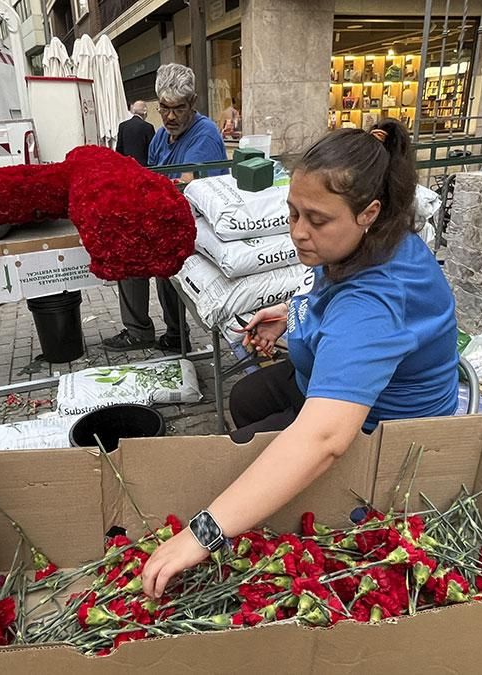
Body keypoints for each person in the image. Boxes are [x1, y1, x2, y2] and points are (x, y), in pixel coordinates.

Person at [139, 120, 460, 598]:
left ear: (368, 213)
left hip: (380, 429)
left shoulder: (375, 304)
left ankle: (289, 520)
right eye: (292, 214)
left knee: (241, 460)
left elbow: (324, 437)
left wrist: (203, 532)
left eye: (316, 219)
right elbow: (330, 296)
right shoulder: (368, 242)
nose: (298, 233)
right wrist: (292, 314)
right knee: (248, 396)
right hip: (331, 382)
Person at [102, 63, 228, 354]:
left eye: (178, 109)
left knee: (154, 260)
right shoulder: (161, 135)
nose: (170, 117)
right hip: (166, 219)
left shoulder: (204, 134)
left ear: (193, 103)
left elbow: (186, 184)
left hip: (197, 225)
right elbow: (150, 176)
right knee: (126, 250)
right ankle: (154, 332)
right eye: (164, 108)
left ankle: (169, 333)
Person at [116, 100, 155, 167]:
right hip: (144, 167)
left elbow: (119, 149)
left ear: (133, 112)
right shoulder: (148, 127)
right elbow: (152, 149)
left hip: (127, 166)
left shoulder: (122, 126)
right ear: (145, 112)